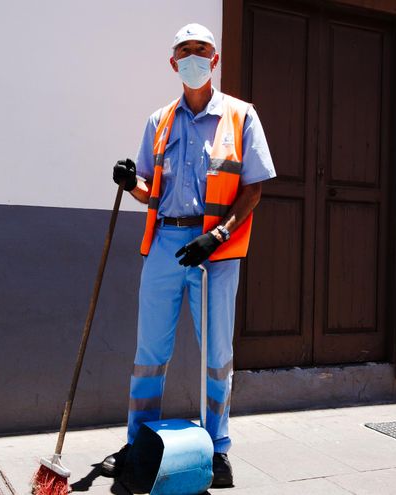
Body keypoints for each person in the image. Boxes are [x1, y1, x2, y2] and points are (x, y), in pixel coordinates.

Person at [103, 23, 275, 488]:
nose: (195, 57)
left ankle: (218, 450)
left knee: (217, 354)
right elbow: (147, 190)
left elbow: (253, 189)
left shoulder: (240, 117)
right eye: (186, 50)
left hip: (214, 252)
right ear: (174, 62)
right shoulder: (159, 121)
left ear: (214, 61)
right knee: (149, 353)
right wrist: (128, 180)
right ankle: (139, 443)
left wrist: (216, 235)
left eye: (203, 50)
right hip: (163, 245)